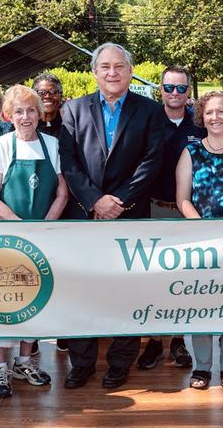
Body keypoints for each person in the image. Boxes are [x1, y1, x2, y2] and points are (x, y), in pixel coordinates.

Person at [59, 42, 166, 390]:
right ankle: (82, 363)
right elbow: (69, 163)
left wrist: (117, 201)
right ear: (94, 73)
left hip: (129, 214)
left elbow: (151, 163)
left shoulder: (149, 111)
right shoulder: (72, 110)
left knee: (126, 292)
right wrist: (94, 201)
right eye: (105, 67)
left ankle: (120, 362)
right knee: (81, 291)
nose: (112, 73)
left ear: (130, 71)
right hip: (83, 216)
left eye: (119, 66)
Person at [0, 84, 68, 397]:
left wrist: (46, 225)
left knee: (36, 299)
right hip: (8, 237)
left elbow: (62, 191)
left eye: (31, 110)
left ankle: (24, 360)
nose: (26, 116)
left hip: (43, 236)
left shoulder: (52, 145)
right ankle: (1, 367)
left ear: (40, 113)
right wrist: (19, 226)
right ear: (8, 115)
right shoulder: (1, 146)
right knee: (6, 302)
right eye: (19, 111)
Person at [175, 91, 223, 390]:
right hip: (201, 240)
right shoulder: (190, 151)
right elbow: (182, 199)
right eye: (209, 112)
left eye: (221, 111)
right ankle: (202, 366)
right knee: (202, 303)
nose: (215, 117)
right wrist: (203, 230)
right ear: (201, 117)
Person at [138, 65, 202, 370]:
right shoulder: (147, 120)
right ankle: (153, 340)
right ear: (160, 89)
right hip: (153, 208)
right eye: (168, 87)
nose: (174, 93)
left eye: (181, 88)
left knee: (183, 279)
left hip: (188, 212)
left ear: (188, 91)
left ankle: (177, 340)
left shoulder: (200, 125)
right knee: (154, 278)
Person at [32, 73, 64, 140]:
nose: (47, 96)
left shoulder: (69, 125)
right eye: (41, 92)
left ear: (60, 96)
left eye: (53, 92)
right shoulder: (27, 124)